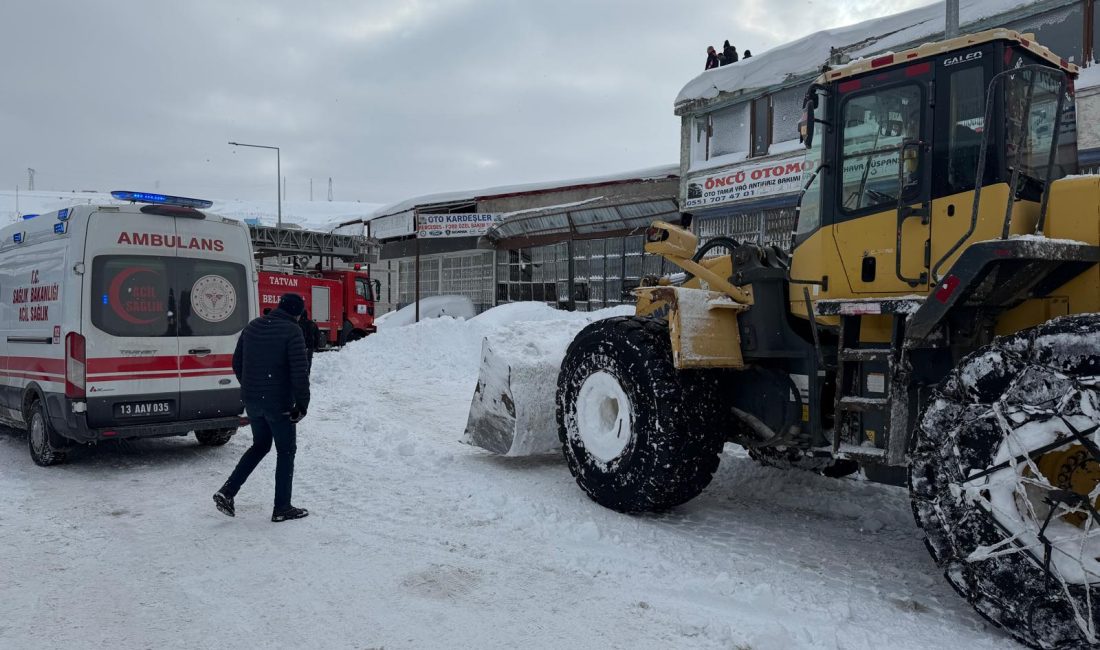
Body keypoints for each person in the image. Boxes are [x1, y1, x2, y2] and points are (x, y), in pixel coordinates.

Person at [213, 293, 311, 523]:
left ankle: (227, 492)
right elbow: (300, 372)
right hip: (279, 404)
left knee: (260, 445)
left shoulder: (253, 326)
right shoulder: (292, 331)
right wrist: (302, 405)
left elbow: (237, 362)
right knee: (286, 451)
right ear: (297, 313)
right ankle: (282, 507)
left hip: (253, 400)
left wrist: (252, 389)